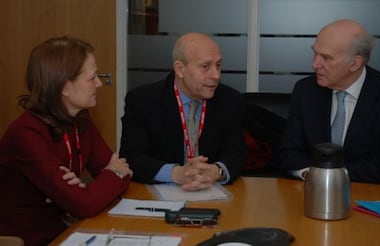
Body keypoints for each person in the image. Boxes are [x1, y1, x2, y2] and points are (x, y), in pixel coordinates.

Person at [0, 36, 133, 246]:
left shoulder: (80, 119)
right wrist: (105, 178)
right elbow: (88, 201)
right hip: (30, 240)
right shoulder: (25, 134)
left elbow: (121, 173)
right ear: (65, 87)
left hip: (71, 232)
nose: (99, 83)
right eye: (91, 78)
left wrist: (78, 194)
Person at [279, 19, 380, 185]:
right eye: (315, 53)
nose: (315, 64)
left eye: (326, 58)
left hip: (372, 195)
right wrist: (311, 175)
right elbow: (289, 154)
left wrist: (329, 175)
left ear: (354, 63)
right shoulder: (306, 90)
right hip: (312, 195)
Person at [120, 32, 245, 191]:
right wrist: (175, 173)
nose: (216, 75)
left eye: (218, 65)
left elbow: (236, 153)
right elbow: (132, 157)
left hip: (213, 192)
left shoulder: (230, 100)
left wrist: (216, 171)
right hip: (159, 195)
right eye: (205, 66)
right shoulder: (142, 101)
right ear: (180, 69)